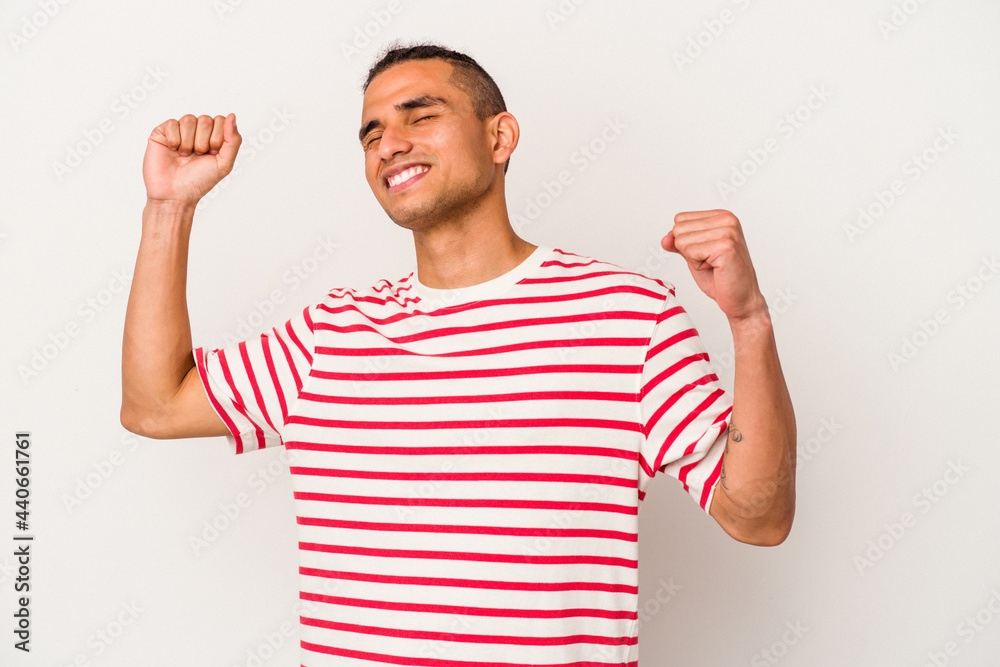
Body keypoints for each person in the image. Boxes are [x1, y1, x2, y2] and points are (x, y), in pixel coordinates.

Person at [121, 42, 795, 666]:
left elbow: (758, 516)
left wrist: (748, 318)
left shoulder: (629, 317)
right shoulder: (331, 335)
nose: (391, 143)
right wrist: (168, 207)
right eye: (372, 133)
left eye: (421, 115)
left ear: (499, 137)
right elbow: (154, 405)